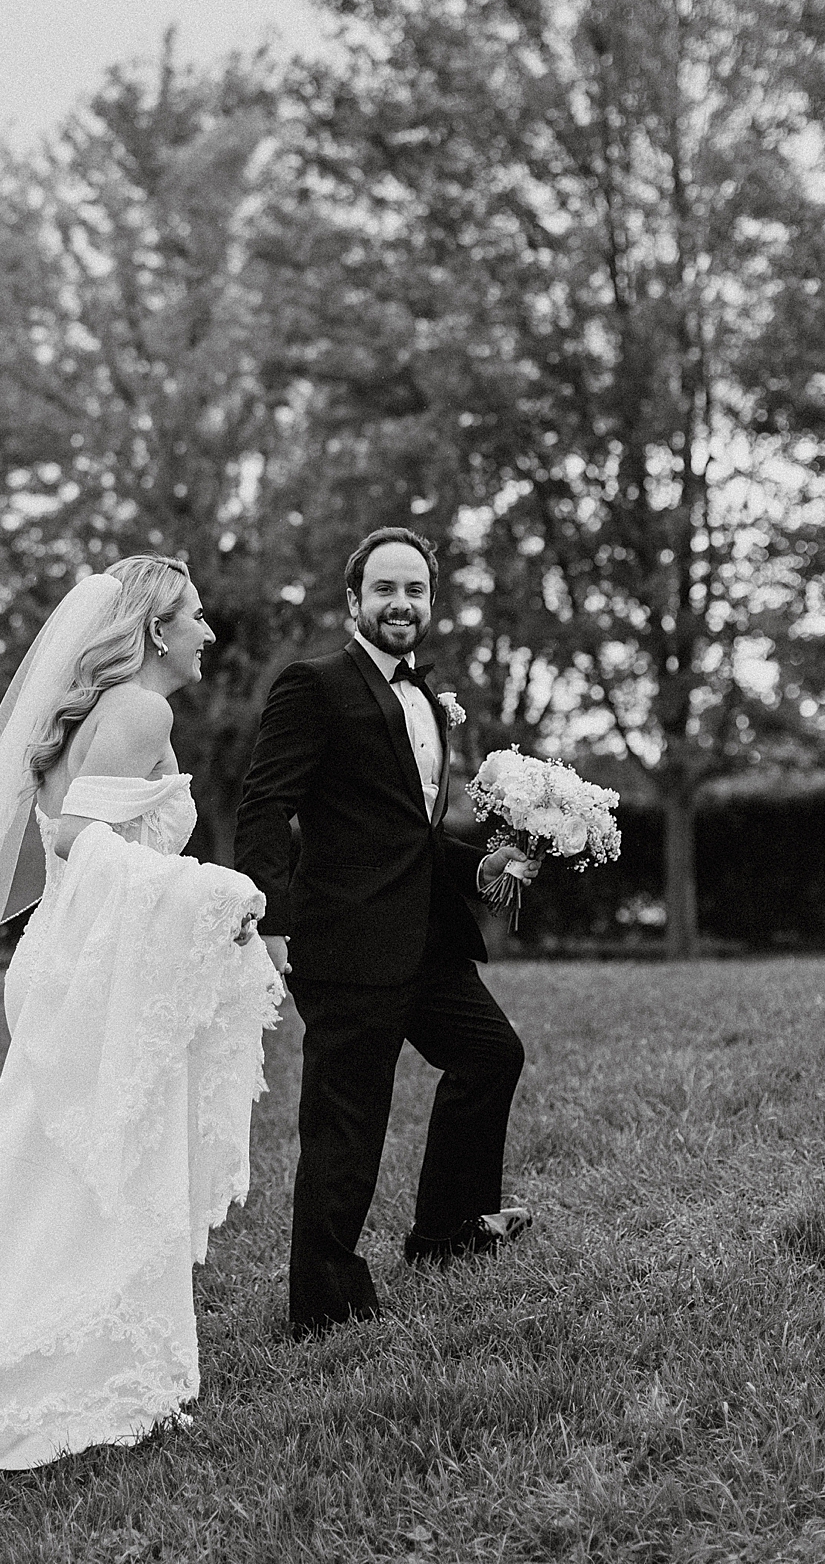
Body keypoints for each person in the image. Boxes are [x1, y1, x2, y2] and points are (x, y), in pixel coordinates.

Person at [0, 557, 282, 1468]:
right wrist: (208, 890)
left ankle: (65, 1354)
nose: (208, 632)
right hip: (93, 964)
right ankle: (86, 1373)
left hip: (73, 953)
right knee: (109, 1158)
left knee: (62, 1163)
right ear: (155, 630)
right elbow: (78, 838)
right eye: (195, 616)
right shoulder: (141, 711)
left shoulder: (104, 710)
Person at [234, 527, 537, 1338]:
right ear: (354, 600)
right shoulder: (314, 685)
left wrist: (481, 863)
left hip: (426, 939)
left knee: (490, 1054)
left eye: (415, 590)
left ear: (431, 602)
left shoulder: (428, 700)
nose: (401, 603)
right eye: (385, 589)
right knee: (347, 1125)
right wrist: (270, 920)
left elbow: (409, 832)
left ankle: (447, 1232)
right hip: (346, 947)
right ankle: (325, 1303)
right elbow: (265, 805)